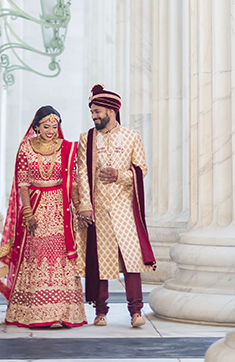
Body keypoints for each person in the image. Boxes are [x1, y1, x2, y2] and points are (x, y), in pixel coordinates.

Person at [0, 105, 87, 329]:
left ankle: (63, 312)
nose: (51, 130)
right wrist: (27, 212)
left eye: (55, 126)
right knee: (35, 254)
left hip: (60, 208)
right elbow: (23, 183)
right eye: (46, 126)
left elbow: (73, 183)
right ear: (36, 126)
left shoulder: (67, 148)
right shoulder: (26, 148)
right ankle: (33, 312)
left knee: (62, 254)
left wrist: (79, 208)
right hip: (36, 206)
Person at [76, 84, 155, 328]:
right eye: (92, 112)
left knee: (132, 260)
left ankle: (136, 311)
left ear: (112, 110)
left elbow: (141, 169)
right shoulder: (86, 138)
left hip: (124, 209)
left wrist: (119, 174)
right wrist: (85, 206)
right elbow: (82, 174)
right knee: (101, 260)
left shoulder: (132, 136)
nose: (94, 116)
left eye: (97, 111)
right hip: (98, 208)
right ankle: (100, 312)